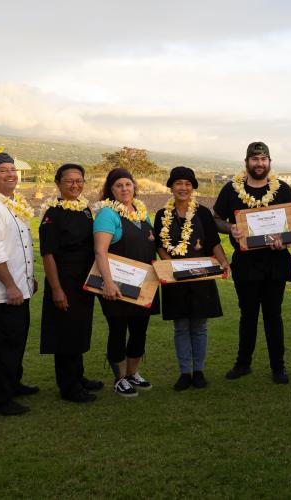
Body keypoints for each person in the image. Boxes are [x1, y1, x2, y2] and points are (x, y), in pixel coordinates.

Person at [213, 141, 291, 384]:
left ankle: (278, 367)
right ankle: (243, 363)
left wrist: (285, 241)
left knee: (274, 315)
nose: (259, 164)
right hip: (246, 264)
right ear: (246, 162)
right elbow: (216, 218)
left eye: (263, 159)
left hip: (276, 263)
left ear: (269, 162)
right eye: (254, 159)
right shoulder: (231, 189)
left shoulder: (282, 189)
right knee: (247, 315)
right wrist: (230, 227)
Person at [0, 152, 39, 416]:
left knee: (17, 340)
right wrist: (11, 285)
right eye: (3, 170)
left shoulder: (13, 204)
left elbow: (20, 248)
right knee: (2, 345)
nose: (11, 174)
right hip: (2, 293)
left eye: (13, 169)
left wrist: (27, 280)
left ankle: (12, 384)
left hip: (18, 289)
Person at [154, 166, 230, 391]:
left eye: (188, 184)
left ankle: (199, 371)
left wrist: (224, 262)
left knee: (199, 327)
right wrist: (171, 265)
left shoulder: (203, 213)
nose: (183, 188)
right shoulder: (161, 215)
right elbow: (159, 245)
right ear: (171, 187)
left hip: (201, 278)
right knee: (180, 327)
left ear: (193, 188)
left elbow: (214, 242)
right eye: (179, 183)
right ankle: (184, 372)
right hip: (175, 280)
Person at [39, 164, 103, 403]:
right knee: (65, 332)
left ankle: (79, 376)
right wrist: (56, 289)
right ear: (58, 184)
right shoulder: (52, 214)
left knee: (79, 329)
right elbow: (48, 254)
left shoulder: (84, 210)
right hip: (64, 280)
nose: (75, 185)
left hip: (83, 281)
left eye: (79, 180)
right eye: (69, 181)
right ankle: (68, 387)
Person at [93, 168, 160, 397]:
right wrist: (108, 283)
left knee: (140, 331)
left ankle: (133, 374)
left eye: (128, 184)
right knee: (119, 331)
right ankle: (120, 379)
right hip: (117, 285)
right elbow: (100, 252)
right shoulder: (107, 214)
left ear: (134, 186)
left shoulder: (142, 212)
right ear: (110, 190)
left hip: (143, 284)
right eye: (118, 185)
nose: (124, 189)